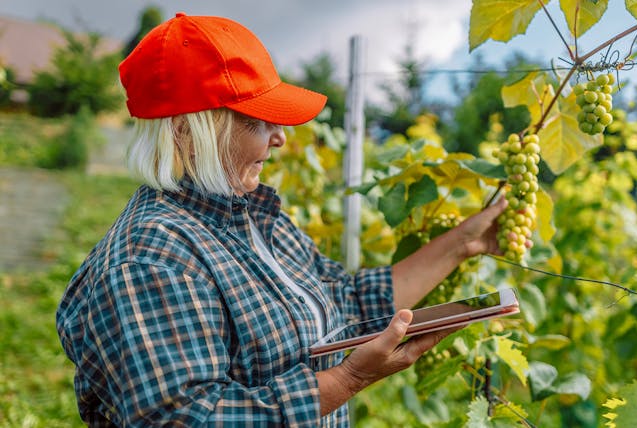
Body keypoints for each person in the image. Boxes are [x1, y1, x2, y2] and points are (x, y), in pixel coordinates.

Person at [56, 12, 508, 427]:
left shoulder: (250, 216)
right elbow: (189, 418)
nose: (280, 139)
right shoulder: (152, 259)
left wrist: (464, 243)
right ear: (187, 133)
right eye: (258, 120)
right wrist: (348, 380)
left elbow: (346, 301)